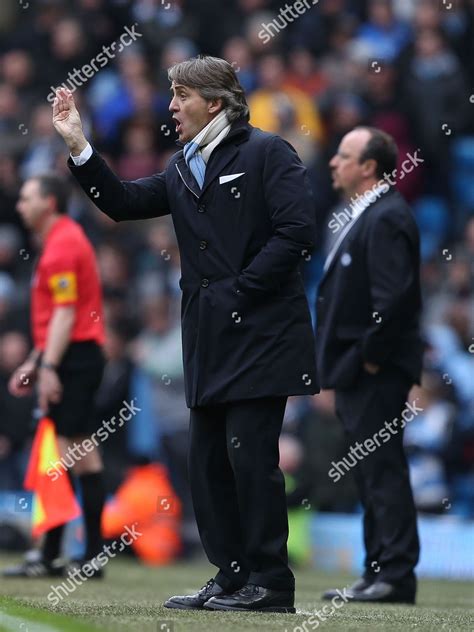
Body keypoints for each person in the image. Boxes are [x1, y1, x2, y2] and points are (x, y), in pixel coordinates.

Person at [52, 55, 317, 613]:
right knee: (208, 463)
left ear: (215, 101)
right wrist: (79, 145)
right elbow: (121, 204)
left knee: (251, 461)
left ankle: (271, 584)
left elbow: (298, 231)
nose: (170, 107)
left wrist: (240, 291)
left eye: (181, 95)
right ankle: (231, 574)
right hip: (209, 339)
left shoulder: (268, 152)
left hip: (263, 336)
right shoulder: (179, 167)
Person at [316, 127, 421, 604]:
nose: (333, 162)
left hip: (374, 369)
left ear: (369, 168)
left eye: (344, 156)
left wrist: (372, 359)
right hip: (356, 368)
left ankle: (395, 574)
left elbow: (393, 299)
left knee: (382, 470)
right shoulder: (360, 215)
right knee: (369, 471)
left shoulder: (387, 217)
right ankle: (375, 568)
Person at [4, 174, 106, 578]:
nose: (19, 205)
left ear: (48, 202)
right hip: (73, 354)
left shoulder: (63, 244)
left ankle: (51, 555)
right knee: (81, 455)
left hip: (75, 358)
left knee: (60, 454)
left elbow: (65, 314)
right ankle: (88, 555)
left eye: (27, 198)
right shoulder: (63, 239)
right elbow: (57, 316)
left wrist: (47, 368)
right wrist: (35, 359)